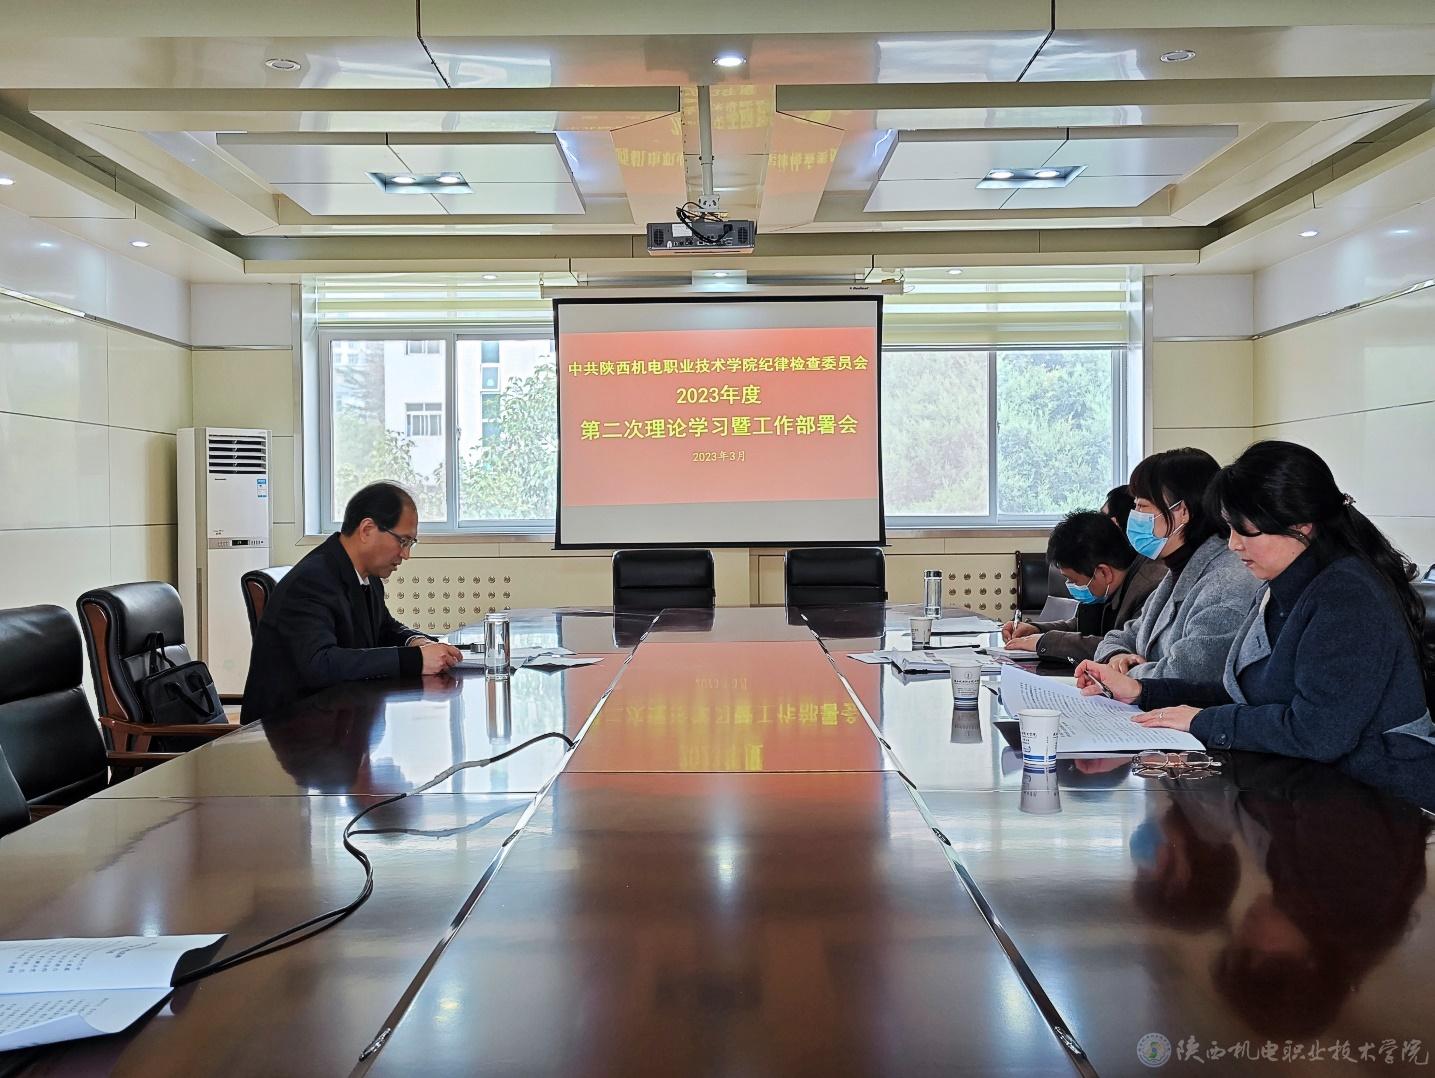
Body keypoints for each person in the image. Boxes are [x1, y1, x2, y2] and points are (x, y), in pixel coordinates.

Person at [1077, 441, 1435, 771]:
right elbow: (1244, 692)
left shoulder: (1347, 597)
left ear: (1300, 525)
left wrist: (1203, 721)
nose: (1233, 545)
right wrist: (1143, 692)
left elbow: (1318, 733)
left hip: (1376, 790)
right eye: (1229, 529)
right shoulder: (1284, 584)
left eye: (1246, 531)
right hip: (1307, 779)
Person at [241, 482, 463, 723]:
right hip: (289, 729)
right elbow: (320, 664)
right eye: (403, 541)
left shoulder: (366, 574)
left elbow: (384, 627)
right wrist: (416, 660)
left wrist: (416, 642)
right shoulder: (311, 580)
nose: (406, 554)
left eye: (410, 544)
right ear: (367, 530)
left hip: (338, 720)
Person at [1082, 447, 1260, 683]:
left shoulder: (1226, 585)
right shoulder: (1179, 569)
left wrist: (1122, 675)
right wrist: (1117, 656)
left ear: (1182, 511)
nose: (1135, 515)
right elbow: (1122, 636)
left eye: (1142, 506)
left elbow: (1186, 676)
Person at [1001, 511, 1165, 663]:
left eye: (1074, 580)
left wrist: (1045, 642)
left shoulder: (1150, 590)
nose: (1071, 587)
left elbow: (1121, 647)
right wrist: (1036, 630)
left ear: (1103, 572)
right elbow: (1084, 626)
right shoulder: (1109, 588)